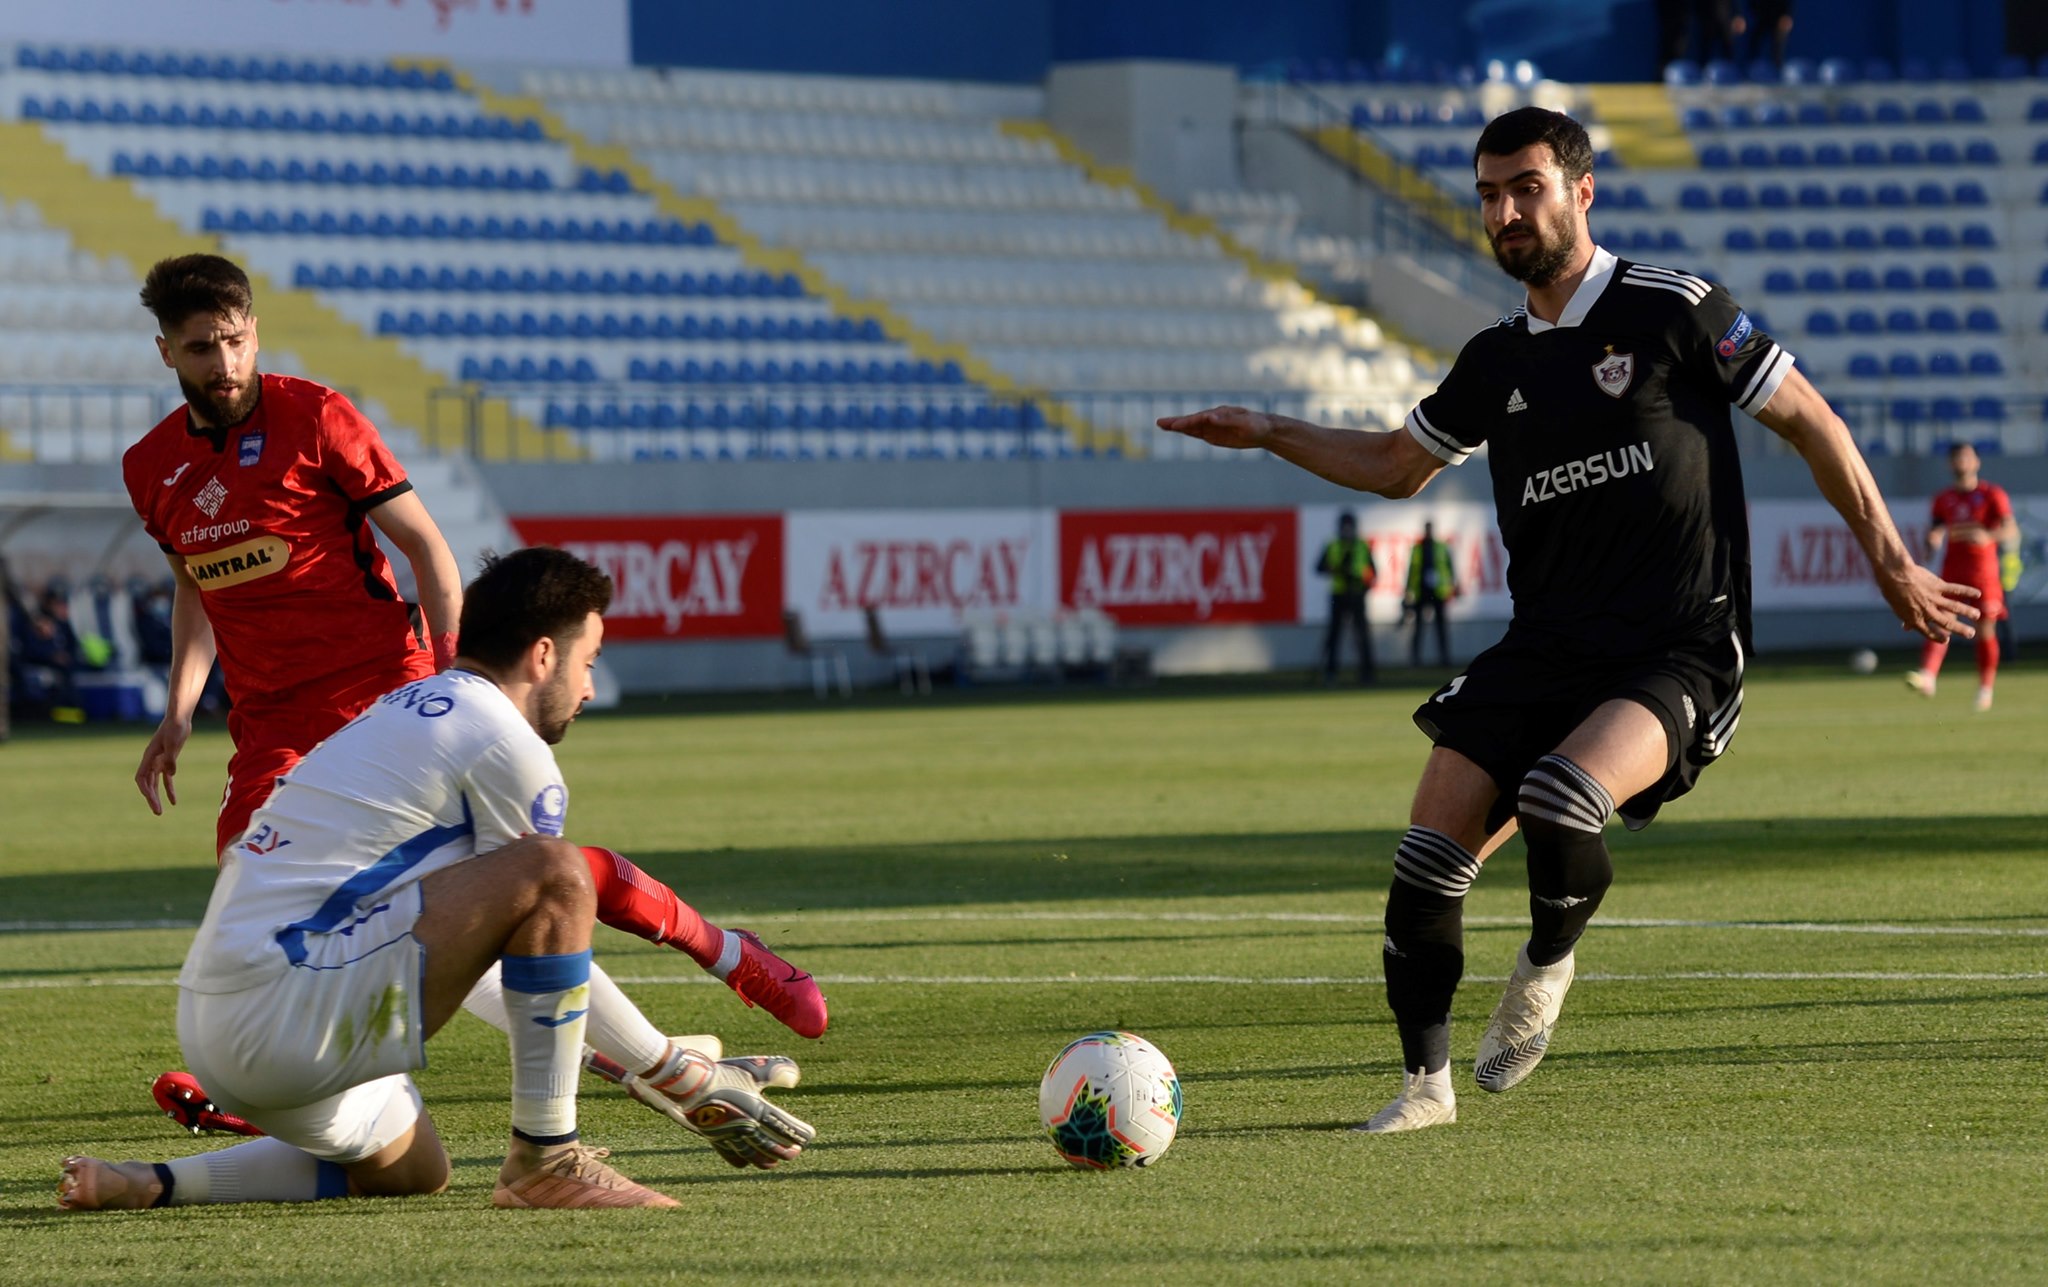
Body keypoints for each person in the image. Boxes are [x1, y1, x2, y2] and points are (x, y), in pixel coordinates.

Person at [1157, 106, 1978, 1134]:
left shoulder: (1673, 308)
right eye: (1488, 194)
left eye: (1525, 188)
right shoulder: (1493, 361)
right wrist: (1269, 430)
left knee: (1556, 798)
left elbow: (1807, 417)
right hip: (1543, 646)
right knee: (1425, 855)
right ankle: (1423, 1090)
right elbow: (1390, 467)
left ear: (1580, 191)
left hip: (1677, 642)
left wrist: (1890, 561)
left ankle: (1546, 960)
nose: (1504, 212)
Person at [124, 253, 826, 1137]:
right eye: (200, 348)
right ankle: (654, 1059)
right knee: (269, 902)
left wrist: (458, 677)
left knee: (490, 890)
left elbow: (425, 546)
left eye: (234, 340)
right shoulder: (151, 466)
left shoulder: (319, 417)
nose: (223, 363)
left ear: (255, 330)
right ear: (166, 354)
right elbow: (196, 587)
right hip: (272, 724)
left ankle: (677, 1027)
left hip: (381, 695)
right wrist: (180, 707)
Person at [59, 548, 816, 1211]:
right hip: (289, 1015)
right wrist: (673, 1071)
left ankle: (156, 1181)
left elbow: (493, 954)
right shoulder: (505, 745)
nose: (590, 686)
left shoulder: (403, 712)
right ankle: (544, 1161)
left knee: (415, 1168)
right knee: (557, 874)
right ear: (545, 654)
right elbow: (547, 908)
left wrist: (656, 1063)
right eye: (589, 661)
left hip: (221, 1028)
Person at [1905, 442, 2015, 711]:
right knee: (1940, 622)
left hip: (1984, 575)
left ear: (1976, 462)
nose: (1961, 463)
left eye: (1966, 458)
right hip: (1952, 572)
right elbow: (1937, 528)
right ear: (1950, 464)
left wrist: (1988, 536)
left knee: (1985, 630)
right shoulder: (1943, 499)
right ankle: (1928, 676)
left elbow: (2010, 531)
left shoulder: (1992, 495)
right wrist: (1932, 540)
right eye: (1956, 459)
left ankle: (1985, 688)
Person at [1316, 510, 1377, 684]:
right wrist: (1336, 569)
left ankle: (1367, 673)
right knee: (1335, 635)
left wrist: (1362, 581)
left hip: (1357, 594)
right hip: (1339, 594)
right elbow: (1319, 567)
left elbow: (1373, 572)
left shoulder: (1362, 546)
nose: (1347, 531)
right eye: (1345, 527)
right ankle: (1331, 672)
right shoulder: (1332, 545)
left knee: (1362, 636)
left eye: (1349, 527)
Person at [1403, 520, 1459, 668]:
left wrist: (1453, 586)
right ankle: (1415, 660)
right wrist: (1407, 590)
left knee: (1440, 628)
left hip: (1438, 592)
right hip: (1421, 591)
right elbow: (1411, 571)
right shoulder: (1418, 548)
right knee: (1419, 628)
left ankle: (1444, 659)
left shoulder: (1441, 547)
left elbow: (1449, 568)